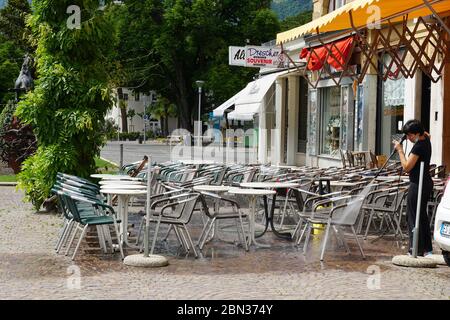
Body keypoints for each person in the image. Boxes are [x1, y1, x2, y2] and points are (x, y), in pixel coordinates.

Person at [393, 119, 433, 257]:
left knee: (413, 216)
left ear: (417, 134)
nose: (409, 138)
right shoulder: (426, 139)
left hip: (418, 184)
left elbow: (407, 167)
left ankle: (414, 249)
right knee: (421, 216)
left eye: (410, 135)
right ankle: (426, 248)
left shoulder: (418, 147)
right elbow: (427, 133)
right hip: (426, 182)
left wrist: (400, 150)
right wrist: (408, 134)